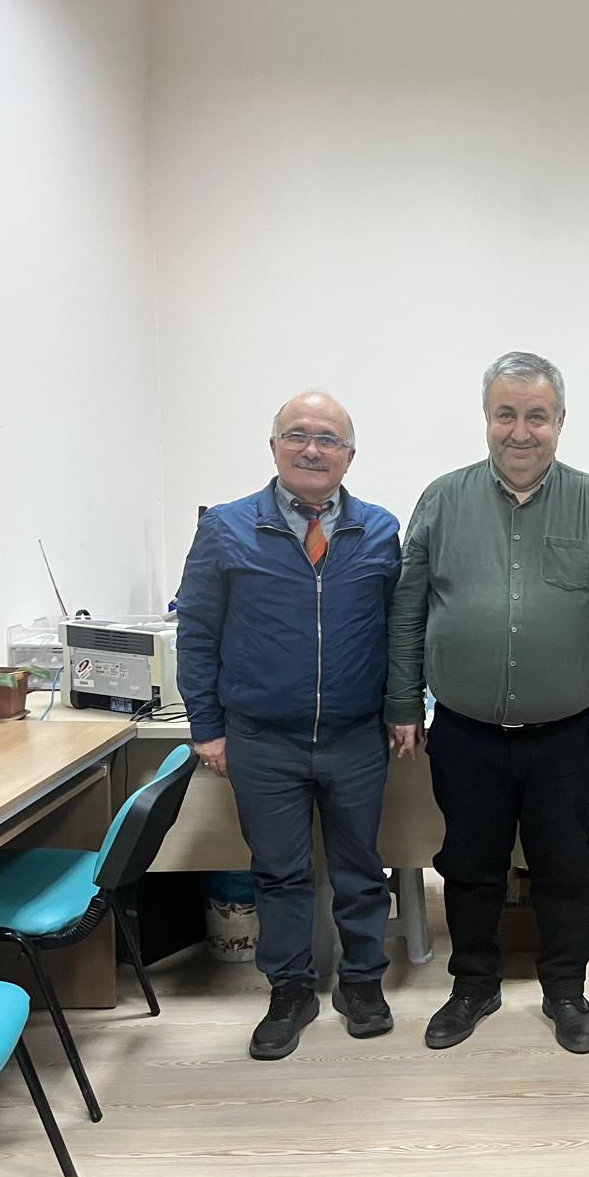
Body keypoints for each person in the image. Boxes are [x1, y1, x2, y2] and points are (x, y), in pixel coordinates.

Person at [385, 352, 589, 1055]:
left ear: (560, 421)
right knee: (468, 867)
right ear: (487, 418)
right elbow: (408, 608)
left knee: (566, 869)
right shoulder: (442, 500)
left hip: (565, 735)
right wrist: (403, 701)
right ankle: (473, 985)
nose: (521, 432)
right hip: (466, 732)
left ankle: (566, 989)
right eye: (506, 415)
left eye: (536, 417)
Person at [177, 391, 402, 1060]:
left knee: (362, 870)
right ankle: (290, 991)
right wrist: (206, 727)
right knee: (279, 873)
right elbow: (197, 632)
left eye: (328, 438)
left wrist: (402, 707)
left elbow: (401, 629)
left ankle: (362, 983)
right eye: (298, 435)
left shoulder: (379, 529)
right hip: (262, 739)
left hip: (356, 736)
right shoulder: (226, 528)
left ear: (349, 456)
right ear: (273, 446)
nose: (312, 448)